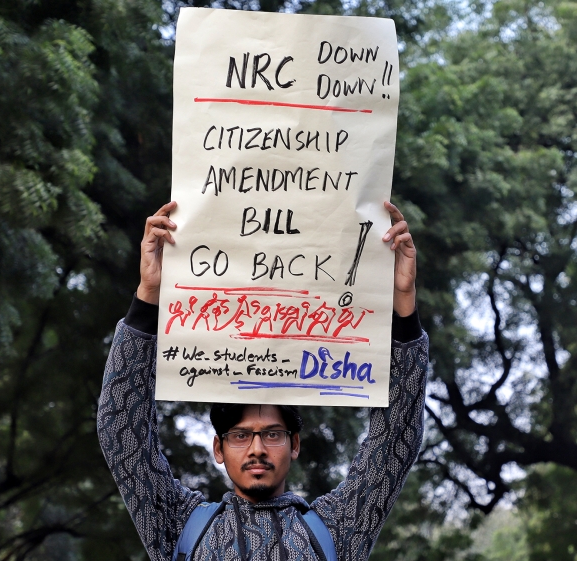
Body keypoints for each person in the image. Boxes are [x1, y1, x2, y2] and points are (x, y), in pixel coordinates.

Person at [97, 201, 428, 561]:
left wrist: (403, 305)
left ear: (295, 444)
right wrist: (148, 295)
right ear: (218, 449)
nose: (257, 449)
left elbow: (396, 439)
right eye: (240, 435)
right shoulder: (180, 526)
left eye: (272, 434)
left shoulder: (338, 529)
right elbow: (121, 433)